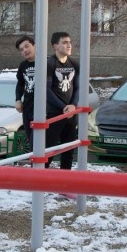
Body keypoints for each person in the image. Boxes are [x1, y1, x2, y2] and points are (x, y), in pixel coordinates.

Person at [45, 31, 80, 170]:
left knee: (68, 150)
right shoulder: (50, 63)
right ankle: (37, 182)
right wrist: (63, 107)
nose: (69, 45)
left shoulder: (74, 63)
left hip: (71, 114)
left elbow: (78, 87)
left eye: (69, 42)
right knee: (48, 150)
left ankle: (65, 185)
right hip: (55, 114)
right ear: (55, 46)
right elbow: (46, 90)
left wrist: (73, 105)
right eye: (64, 42)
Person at [14, 35, 37, 152]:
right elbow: (20, 84)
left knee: (38, 143)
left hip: (43, 110)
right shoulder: (23, 66)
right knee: (31, 143)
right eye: (21, 50)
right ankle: (36, 169)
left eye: (26, 46)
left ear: (34, 45)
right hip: (27, 109)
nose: (25, 51)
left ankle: (39, 169)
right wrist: (18, 99)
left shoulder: (47, 62)